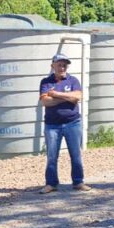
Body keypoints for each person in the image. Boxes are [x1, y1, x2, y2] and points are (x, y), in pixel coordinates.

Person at [38, 53, 89, 194]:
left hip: (73, 123)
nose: (62, 68)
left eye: (64, 65)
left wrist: (56, 94)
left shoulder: (73, 80)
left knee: (75, 154)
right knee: (52, 156)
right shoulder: (46, 82)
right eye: (59, 65)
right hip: (52, 125)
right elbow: (45, 102)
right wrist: (67, 98)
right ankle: (51, 183)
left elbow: (77, 97)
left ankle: (78, 182)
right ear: (53, 66)